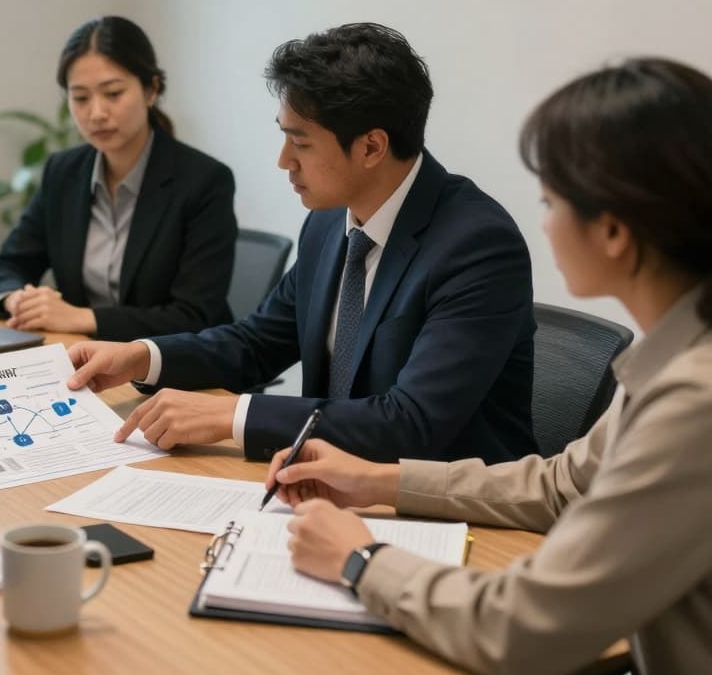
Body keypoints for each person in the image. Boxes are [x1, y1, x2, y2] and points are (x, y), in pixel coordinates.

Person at [268, 58, 712, 675]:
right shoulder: (680, 358)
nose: (544, 222)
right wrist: (376, 481)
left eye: (551, 199)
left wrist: (363, 560)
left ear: (612, 230)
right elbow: (563, 485)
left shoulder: (696, 402)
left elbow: (523, 628)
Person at [68, 23, 537, 464]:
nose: (283, 161)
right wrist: (142, 356)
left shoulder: (476, 245)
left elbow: (411, 422)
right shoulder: (330, 222)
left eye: (301, 142)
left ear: (371, 147)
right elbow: (257, 343)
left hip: (449, 514)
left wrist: (230, 417)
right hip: (332, 484)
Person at [0, 16, 237, 340]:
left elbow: (193, 315)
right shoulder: (63, 172)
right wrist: (17, 300)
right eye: (81, 98)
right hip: (84, 362)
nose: (97, 113)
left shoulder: (204, 181)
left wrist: (84, 318)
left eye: (113, 94)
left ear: (151, 89)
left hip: (175, 372)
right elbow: (4, 266)